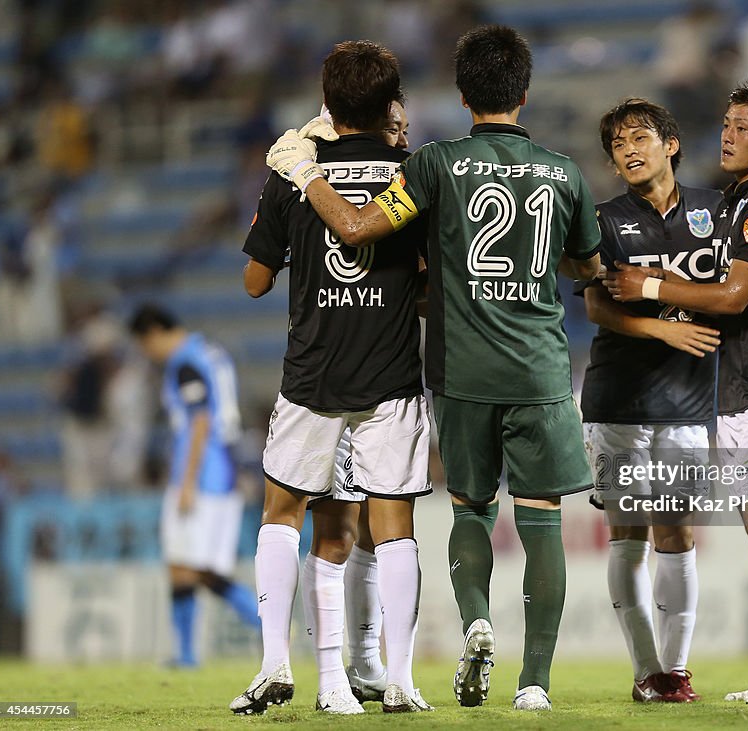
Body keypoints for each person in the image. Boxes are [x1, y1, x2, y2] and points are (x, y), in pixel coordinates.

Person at [265, 24, 602, 712]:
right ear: (526, 93)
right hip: (540, 370)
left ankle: (472, 618)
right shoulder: (565, 172)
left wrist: (304, 169)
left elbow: (357, 229)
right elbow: (589, 269)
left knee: (469, 510)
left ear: (459, 93)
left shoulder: (435, 164)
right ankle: (533, 682)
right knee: (540, 519)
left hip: (461, 371)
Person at [603, 81, 748, 705]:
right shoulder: (741, 201)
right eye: (726, 123)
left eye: (744, 127)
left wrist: (648, 289)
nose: (728, 135)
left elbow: (730, 297)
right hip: (742, 392)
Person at [231, 41, 433, 716]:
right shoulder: (417, 174)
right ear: (390, 105)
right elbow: (431, 284)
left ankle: (274, 664)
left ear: (328, 100)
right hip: (392, 377)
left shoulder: (294, 169)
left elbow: (255, 281)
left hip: (312, 376)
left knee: (282, 513)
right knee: (393, 523)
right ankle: (400, 679)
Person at [580, 98, 722, 704]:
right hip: (619, 400)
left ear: (672, 144)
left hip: (689, 400)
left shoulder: (717, 211)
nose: (629, 150)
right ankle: (646, 670)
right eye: (617, 144)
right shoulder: (604, 219)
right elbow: (595, 305)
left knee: (679, 533)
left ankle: (677, 668)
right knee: (628, 533)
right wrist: (662, 327)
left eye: (640, 137)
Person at [128, 304, 259, 668]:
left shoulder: (184, 363)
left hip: (202, 476)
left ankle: (254, 630)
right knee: (195, 568)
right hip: (223, 472)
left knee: (187, 566)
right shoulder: (210, 353)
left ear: (153, 331)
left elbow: (200, 421)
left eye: (143, 344)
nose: (147, 353)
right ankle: (196, 651)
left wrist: (186, 482)